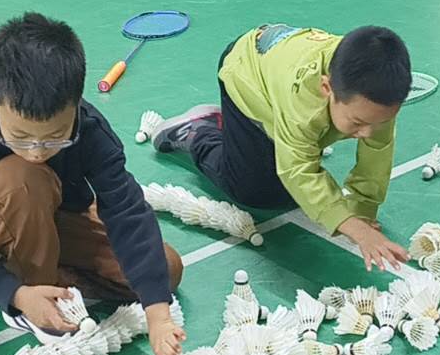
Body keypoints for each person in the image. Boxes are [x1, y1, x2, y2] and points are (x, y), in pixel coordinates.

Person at [0, 13, 185, 355]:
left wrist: (159, 316)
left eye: (55, 137)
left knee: (165, 271)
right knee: (23, 177)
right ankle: (27, 293)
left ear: (76, 105)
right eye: (20, 137)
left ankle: (30, 274)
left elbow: (126, 213)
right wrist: (16, 294)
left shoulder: (91, 129)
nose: (37, 151)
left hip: (57, 214)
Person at [140, 24, 413, 272]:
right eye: (358, 122)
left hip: (277, 70)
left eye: (380, 122)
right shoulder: (302, 101)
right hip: (245, 75)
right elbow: (297, 170)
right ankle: (200, 131)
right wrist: (357, 230)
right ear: (326, 88)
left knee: (307, 182)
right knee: (258, 192)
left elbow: (377, 151)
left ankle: (246, 136)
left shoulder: (375, 91)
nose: (368, 133)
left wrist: (363, 211)